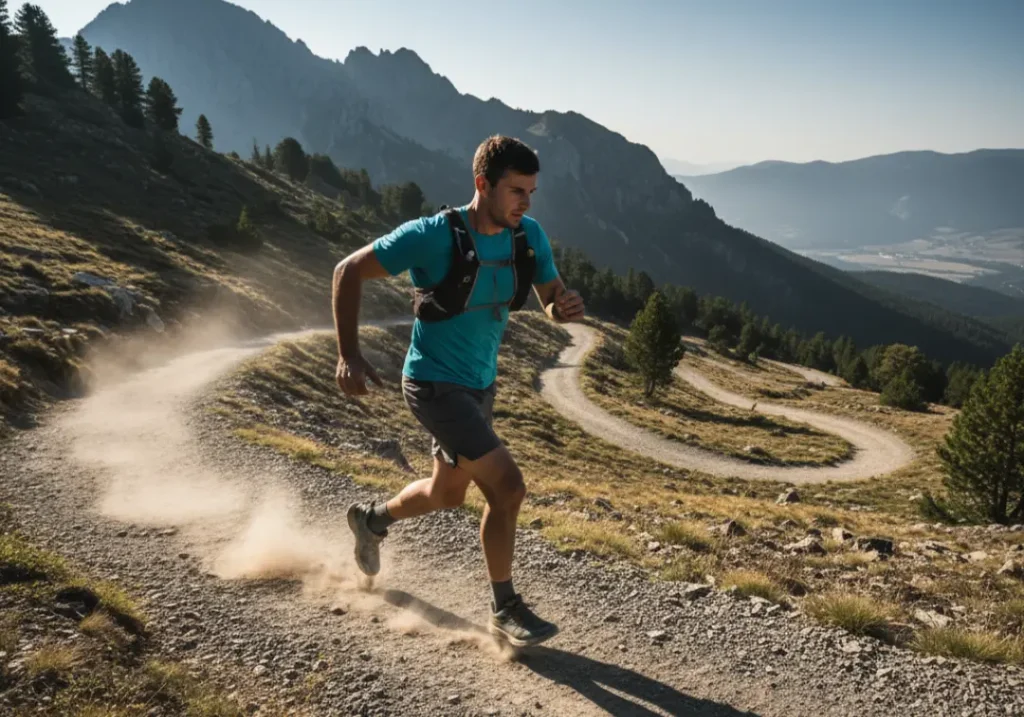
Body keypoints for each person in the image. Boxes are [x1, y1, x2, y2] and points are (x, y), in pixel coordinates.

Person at [331, 135, 585, 647]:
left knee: (446, 493)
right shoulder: (432, 236)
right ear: (482, 185)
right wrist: (349, 355)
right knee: (507, 487)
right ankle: (505, 607)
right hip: (432, 383)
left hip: (479, 386)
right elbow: (347, 271)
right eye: (516, 190)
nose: (526, 202)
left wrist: (562, 308)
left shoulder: (528, 236)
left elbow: (549, 298)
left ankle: (371, 521)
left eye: (531, 191)